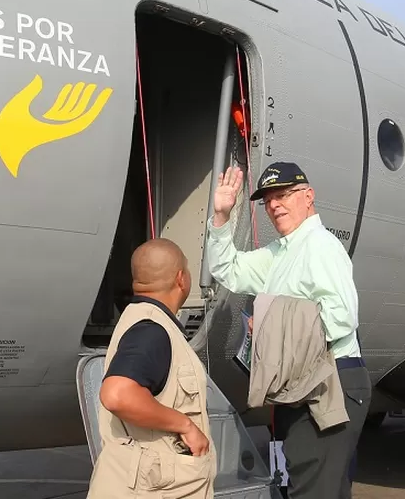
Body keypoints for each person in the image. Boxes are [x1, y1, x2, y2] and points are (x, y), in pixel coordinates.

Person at [205, 161, 370, 498]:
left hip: (329, 382)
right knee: (323, 489)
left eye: (284, 195)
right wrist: (221, 218)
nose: (274, 205)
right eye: (268, 200)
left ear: (308, 196)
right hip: (304, 385)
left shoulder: (319, 246)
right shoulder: (280, 253)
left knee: (311, 490)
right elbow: (229, 270)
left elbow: (340, 316)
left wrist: (273, 332)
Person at [87, 238, 215, 499]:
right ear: (181, 278)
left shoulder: (141, 320)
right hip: (150, 489)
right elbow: (118, 394)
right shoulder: (152, 331)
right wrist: (186, 426)